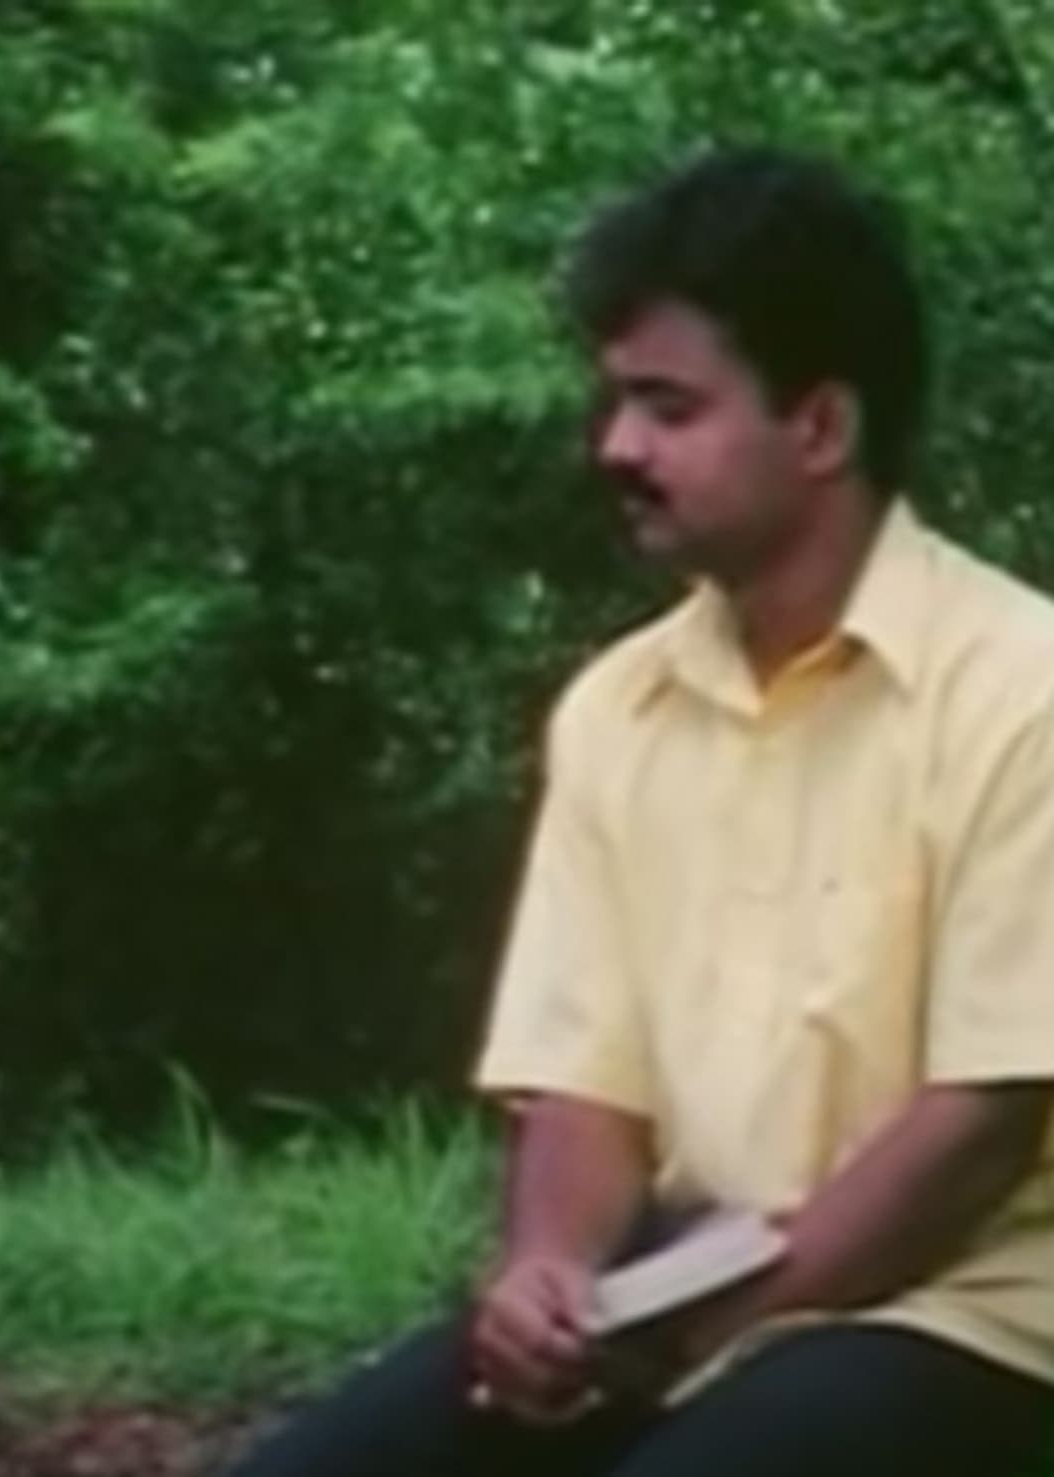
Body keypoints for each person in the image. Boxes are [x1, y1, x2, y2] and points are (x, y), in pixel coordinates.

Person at [227, 147, 1054, 1476]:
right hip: (672, 1291)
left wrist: (691, 1342)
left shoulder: (1023, 689)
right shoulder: (619, 709)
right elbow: (584, 1088)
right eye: (615, 401)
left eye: (669, 408)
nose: (617, 446)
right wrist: (548, 1279)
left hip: (968, 1316)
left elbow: (975, 1135)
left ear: (822, 428)